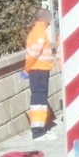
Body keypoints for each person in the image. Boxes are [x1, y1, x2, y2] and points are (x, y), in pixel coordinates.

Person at [23, 9, 57, 140]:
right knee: (38, 101)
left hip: (39, 70)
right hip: (38, 71)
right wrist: (27, 69)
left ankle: (40, 130)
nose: (50, 21)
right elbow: (33, 54)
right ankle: (38, 132)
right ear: (43, 18)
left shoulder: (39, 32)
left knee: (40, 100)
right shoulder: (39, 33)